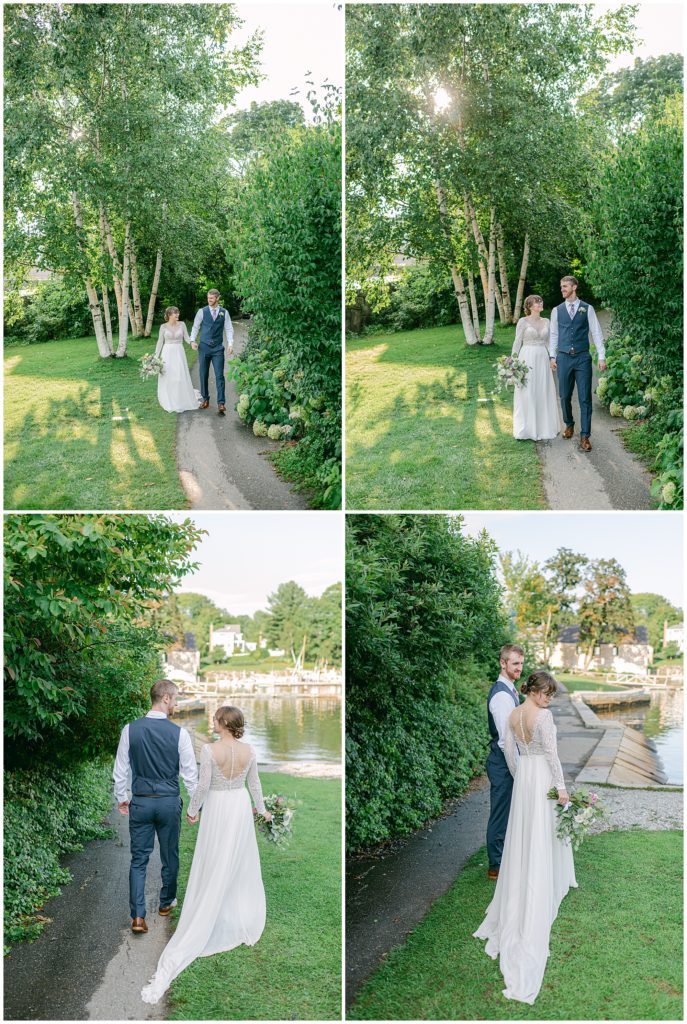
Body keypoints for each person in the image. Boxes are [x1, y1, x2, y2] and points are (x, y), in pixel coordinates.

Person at [141, 705, 272, 1004]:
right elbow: (255, 785)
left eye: (215, 719)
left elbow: (202, 786)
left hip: (217, 808)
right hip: (238, 806)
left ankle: (214, 909)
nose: (212, 722)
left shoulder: (211, 751)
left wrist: (192, 810)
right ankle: (233, 909)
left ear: (224, 723)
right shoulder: (250, 751)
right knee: (236, 861)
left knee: (215, 859)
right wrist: (262, 811)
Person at [474, 670, 577, 1004]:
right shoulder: (542, 717)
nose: (548, 699)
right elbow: (552, 754)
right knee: (542, 831)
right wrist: (561, 787)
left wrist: (521, 777)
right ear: (533, 690)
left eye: (550, 695)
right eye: (545, 693)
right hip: (542, 776)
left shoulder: (516, 713)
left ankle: (532, 874)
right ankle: (541, 880)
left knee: (525, 832)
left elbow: (509, 751)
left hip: (525, 780)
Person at [113, 680, 199, 934]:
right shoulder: (179, 734)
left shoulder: (130, 730)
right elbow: (190, 775)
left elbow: (120, 769)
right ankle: (165, 904)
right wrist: (194, 807)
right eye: (174, 699)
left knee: (139, 860)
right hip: (168, 802)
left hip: (141, 801)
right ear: (164, 699)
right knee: (169, 855)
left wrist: (122, 797)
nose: (176, 704)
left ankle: (138, 917)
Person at [549, 275, 606, 453]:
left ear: (574, 287)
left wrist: (602, 356)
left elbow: (596, 333)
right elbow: (554, 335)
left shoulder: (587, 309)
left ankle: (585, 436)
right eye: (561, 286)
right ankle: (569, 424)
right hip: (564, 358)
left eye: (565, 286)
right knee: (564, 396)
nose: (562, 289)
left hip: (582, 358)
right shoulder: (556, 310)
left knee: (585, 398)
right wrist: (552, 356)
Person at [485, 644, 524, 879]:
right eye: (515, 663)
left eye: (521, 663)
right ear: (503, 663)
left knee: (508, 812)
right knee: (500, 814)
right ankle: (495, 867)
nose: (519, 668)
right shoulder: (501, 695)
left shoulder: (510, 690)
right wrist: (517, 770)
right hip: (503, 763)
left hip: (507, 761)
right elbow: (504, 740)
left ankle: (503, 860)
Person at [511, 296, 561, 440]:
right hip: (527, 358)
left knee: (543, 390)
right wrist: (513, 363)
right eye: (537, 302)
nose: (540, 303)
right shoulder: (522, 322)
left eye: (541, 301)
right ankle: (527, 428)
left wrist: (553, 358)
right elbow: (517, 342)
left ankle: (545, 427)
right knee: (528, 392)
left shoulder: (546, 321)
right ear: (530, 306)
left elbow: (550, 342)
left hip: (543, 359)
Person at [190, 288, 234, 416]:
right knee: (203, 374)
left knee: (219, 375)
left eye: (212, 298)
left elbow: (229, 328)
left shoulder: (224, 313)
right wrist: (192, 340)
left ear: (217, 298)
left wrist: (230, 344)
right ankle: (205, 399)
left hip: (218, 349)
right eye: (208, 298)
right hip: (204, 347)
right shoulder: (201, 312)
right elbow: (195, 327)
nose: (209, 300)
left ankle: (221, 403)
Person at [154, 307, 202, 413]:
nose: (177, 314)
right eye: (174, 313)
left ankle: (181, 398)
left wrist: (192, 343)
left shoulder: (182, 325)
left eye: (178, 313)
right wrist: (155, 357)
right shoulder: (163, 327)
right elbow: (160, 342)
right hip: (167, 354)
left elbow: (186, 338)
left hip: (179, 353)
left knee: (179, 376)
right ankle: (169, 398)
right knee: (168, 375)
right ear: (169, 315)